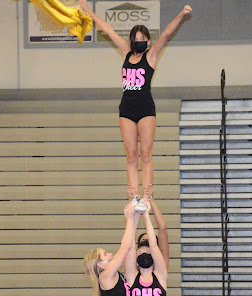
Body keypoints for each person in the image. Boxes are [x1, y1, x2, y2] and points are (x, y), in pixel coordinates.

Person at [79, 0, 192, 209]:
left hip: (146, 110)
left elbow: (166, 34)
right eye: (135, 38)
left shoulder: (151, 55)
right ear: (131, 40)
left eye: (142, 39)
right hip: (126, 110)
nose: (138, 41)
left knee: (146, 154)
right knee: (131, 155)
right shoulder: (125, 51)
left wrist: (181, 14)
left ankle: (147, 193)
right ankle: (133, 194)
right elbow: (107, 29)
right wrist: (88, 10)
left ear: (148, 41)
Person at [83, 204, 139, 296]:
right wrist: (130, 220)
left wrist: (133, 219)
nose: (110, 254)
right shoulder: (106, 275)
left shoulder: (116, 276)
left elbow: (130, 245)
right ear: (100, 264)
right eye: (105, 254)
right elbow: (125, 247)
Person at [125, 201, 169, 296]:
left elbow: (155, 247)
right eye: (140, 253)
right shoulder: (132, 278)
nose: (145, 254)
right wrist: (132, 219)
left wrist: (147, 215)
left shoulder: (160, 276)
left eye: (148, 253)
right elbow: (130, 246)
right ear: (135, 262)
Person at [136, 198, 170, 269]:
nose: (147, 241)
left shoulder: (160, 267)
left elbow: (162, 229)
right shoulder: (133, 268)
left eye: (149, 240)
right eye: (144, 240)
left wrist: (151, 199)